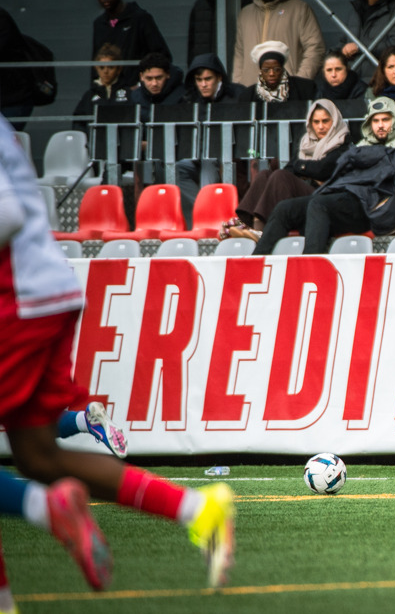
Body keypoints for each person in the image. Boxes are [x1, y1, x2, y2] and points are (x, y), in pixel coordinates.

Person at [0, 114, 235, 589]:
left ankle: (42, 513)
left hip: (18, 297)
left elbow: (6, 215)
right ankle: (197, 508)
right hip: (43, 292)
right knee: (38, 457)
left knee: (36, 458)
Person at [253, 96, 395, 254]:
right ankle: (256, 262)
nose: (380, 125)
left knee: (319, 203)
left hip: (370, 205)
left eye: (385, 120)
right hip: (342, 197)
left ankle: (309, 264)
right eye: (375, 121)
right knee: (285, 208)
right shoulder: (360, 146)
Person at [228, 99, 353, 241]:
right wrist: (307, 170)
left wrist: (301, 167)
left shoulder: (343, 144)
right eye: (316, 122)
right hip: (305, 194)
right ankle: (247, 223)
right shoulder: (307, 144)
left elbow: (322, 170)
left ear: (335, 121)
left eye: (325, 121)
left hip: (323, 201)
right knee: (264, 175)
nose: (320, 127)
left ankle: (260, 229)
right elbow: (291, 168)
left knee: (281, 176)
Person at [174, 54, 245, 227]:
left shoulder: (237, 94)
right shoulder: (190, 98)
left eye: (208, 79)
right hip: (197, 154)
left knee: (208, 160)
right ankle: (205, 212)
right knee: (179, 168)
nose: (203, 84)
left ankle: (208, 220)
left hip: (232, 154)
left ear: (219, 77)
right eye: (199, 80)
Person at [232, 0, 325, 86]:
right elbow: (240, 56)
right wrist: (238, 87)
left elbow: (315, 48)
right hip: (251, 91)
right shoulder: (245, 14)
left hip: (288, 91)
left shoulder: (299, 9)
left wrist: (299, 84)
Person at [91, 0, 171, 86]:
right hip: (109, 90)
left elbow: (161, 55)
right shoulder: (99, 24)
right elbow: (96, 62)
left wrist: (141, 84)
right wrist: (96, 88)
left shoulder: (140, 18)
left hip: (134, 89)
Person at [188, 0, 251, 64]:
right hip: (204, 69)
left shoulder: (241, 3)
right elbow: (192, 46)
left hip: (235, 67)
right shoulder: (198, 7)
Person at [72, 43, 133, 129]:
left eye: (111, 67)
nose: (105, 71)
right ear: (96, 68)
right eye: (101, 67)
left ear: (119, 69)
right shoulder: (89, 95)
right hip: (94, 137)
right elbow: (78, 123)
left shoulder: (128, 93)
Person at [238, 41, 317, 104]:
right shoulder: (247, 96)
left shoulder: (305, 88)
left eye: (276, 69)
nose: (271, 74)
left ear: (282, 69)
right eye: (266, 70)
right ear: (260, 71)